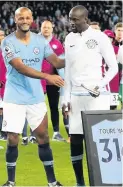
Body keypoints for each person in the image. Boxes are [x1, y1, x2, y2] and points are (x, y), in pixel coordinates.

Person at [1, 7, 65, 187]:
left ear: (32, 19)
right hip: (14, 97)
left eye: (28, 17)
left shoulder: (39, 41)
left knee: (43, 137)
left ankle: (52, 182)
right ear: (15, 19)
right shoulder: (7, 42)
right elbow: (19, 67)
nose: (25, 20)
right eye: (21, 17)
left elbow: (57, 62)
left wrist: (75, 56)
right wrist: (47, 76)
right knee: (13, 139)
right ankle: (11, 182)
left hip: (35, 97)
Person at [62, 5, 118, 186]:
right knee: (76, 140)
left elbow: (113, 67)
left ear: (85, 19)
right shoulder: (69, 38)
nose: (71, 22)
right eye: (70, 18)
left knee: (98, 142)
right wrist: (65, 99)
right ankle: (80, 183)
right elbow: (68, 72)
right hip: (76, 98)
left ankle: (105, 181)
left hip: (96, 97)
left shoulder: (100, 38)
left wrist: (100, 84)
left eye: (75, 19)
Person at [40, 20, 69, 142]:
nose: (46, 29)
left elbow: (62, 62)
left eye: (48, 27)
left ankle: (56, 132)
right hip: (38, 80)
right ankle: (35, 133)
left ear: (52, 29)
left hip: (53, 80)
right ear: (41, 28)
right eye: (44, 27)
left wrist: (62, 78)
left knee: (53, 106)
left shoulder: (57, 44)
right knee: (36, 107)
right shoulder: (33, 42)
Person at [103, 29, 119, 110]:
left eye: (110, 37)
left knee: (113, 105)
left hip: (114, 79)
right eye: (106, 37)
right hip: (103, 78)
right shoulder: (98, 49)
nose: (108, 39)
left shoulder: (117, 49)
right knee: (103, 105)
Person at [0, 29, 7, 141]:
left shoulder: (8, 50)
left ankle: (6, 132)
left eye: (2, 35)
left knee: (6, 109)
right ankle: (3, 133)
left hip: (7, 84)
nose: (1, 37)